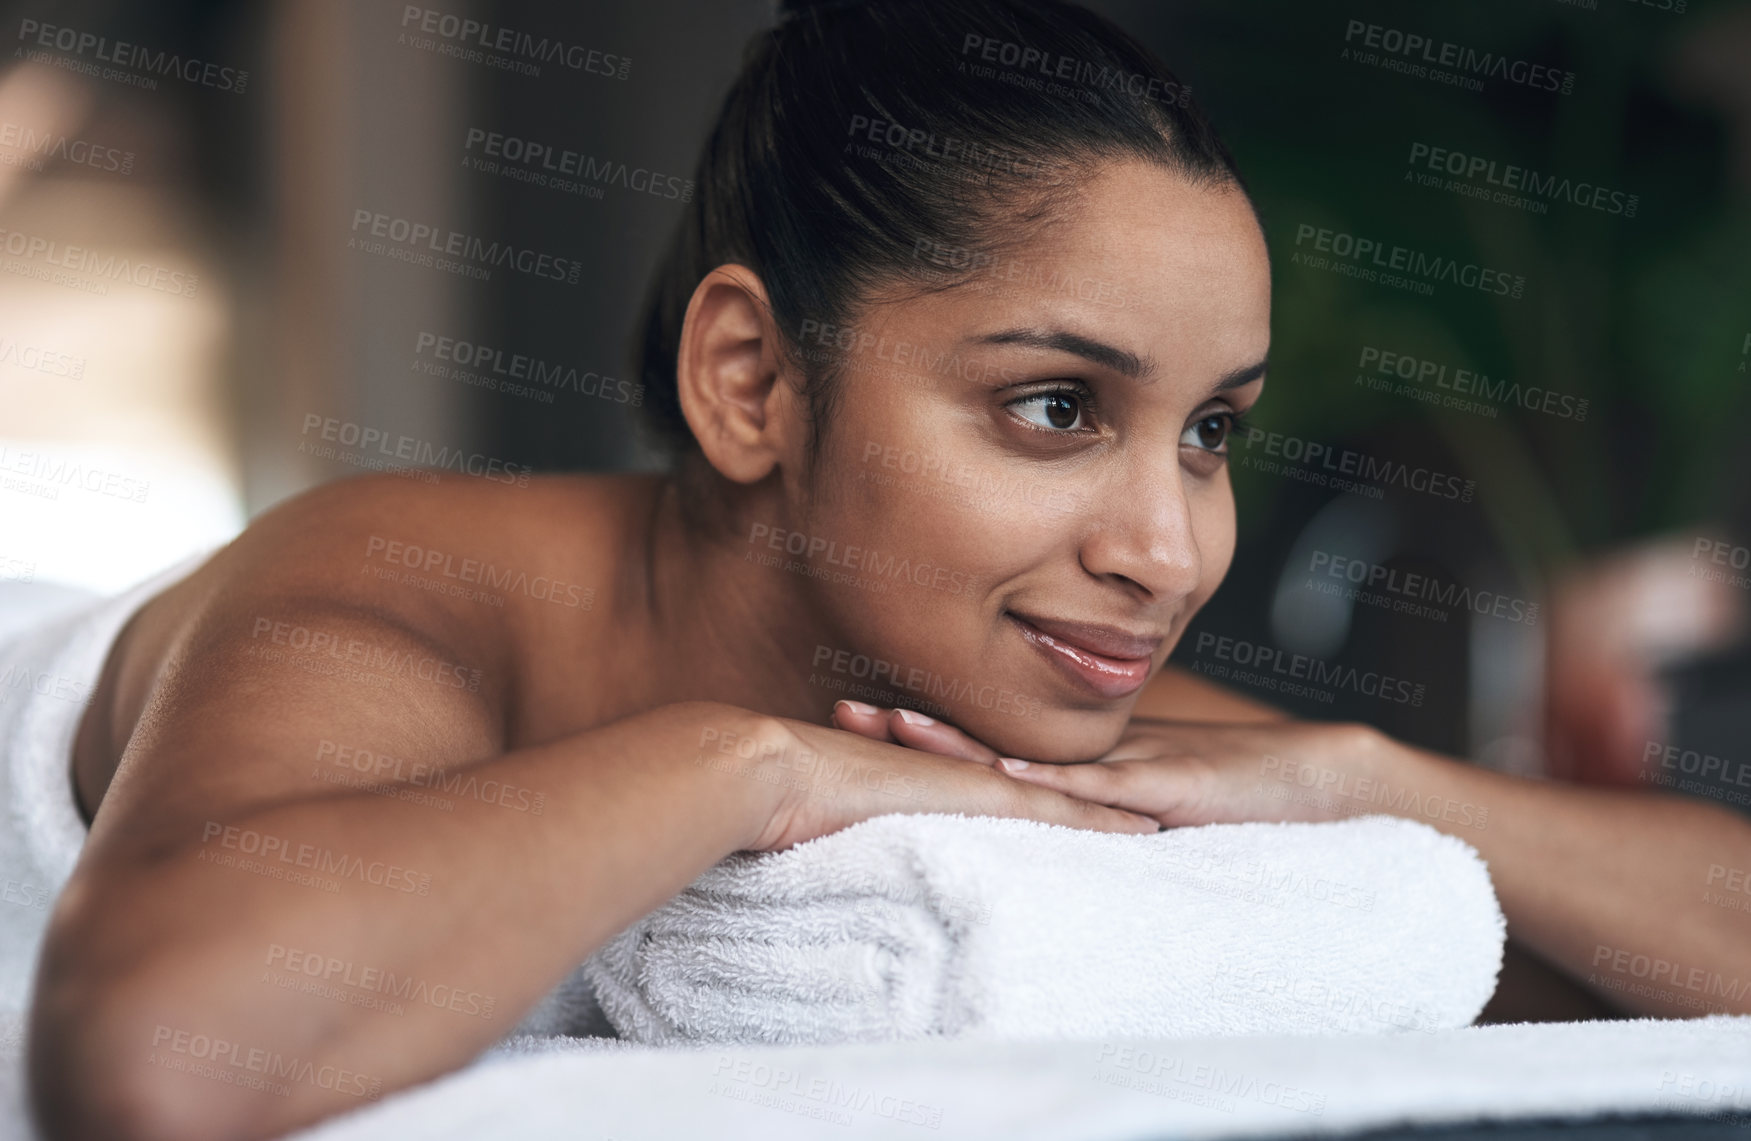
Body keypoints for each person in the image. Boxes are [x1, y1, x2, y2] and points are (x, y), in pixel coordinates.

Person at [26, 0, 1751, 1138]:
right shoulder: (390, 588)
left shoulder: (1030, 678)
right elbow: (160, 1065)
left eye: (1212, 431)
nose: (1168, 551)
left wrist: (1366, 778)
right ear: (753, 382)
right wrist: (752, 762)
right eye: (1056, 405)